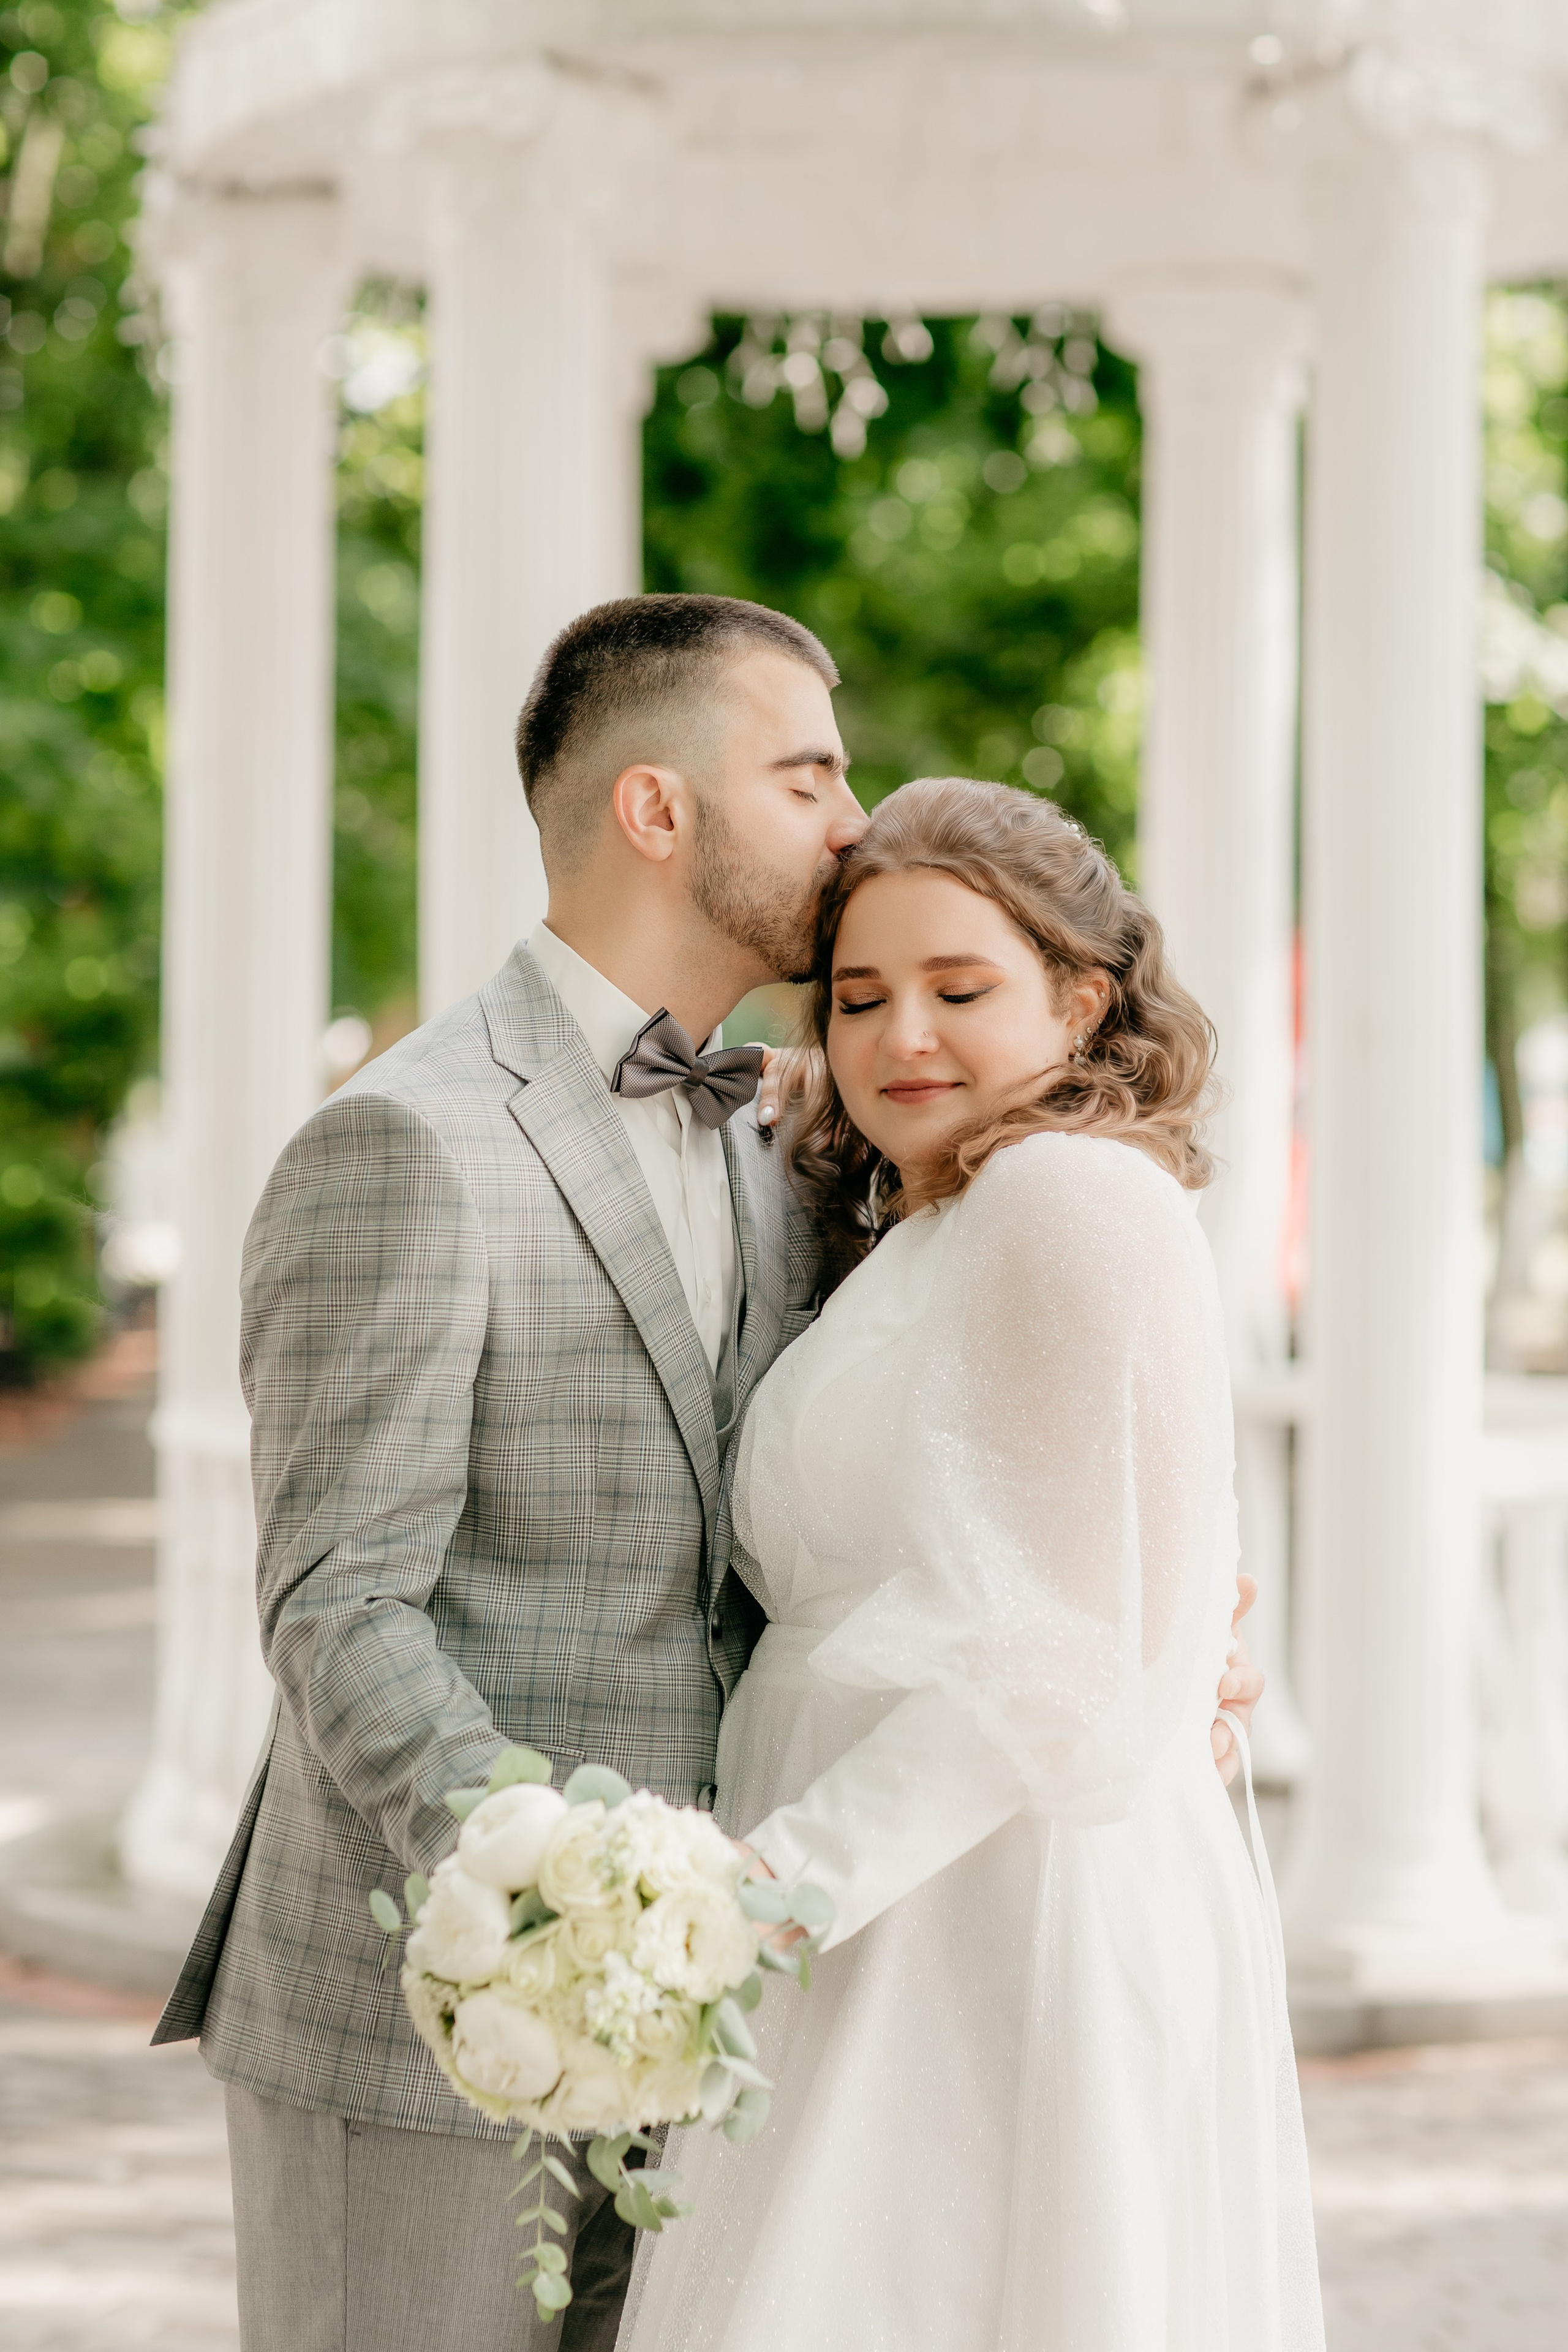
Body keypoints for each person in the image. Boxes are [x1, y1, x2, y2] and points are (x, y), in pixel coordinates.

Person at [150, 595, 1264, 2352]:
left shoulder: (814, 1137)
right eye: (811, 771)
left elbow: (969, 1504)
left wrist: (1156, 1637)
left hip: (768, 2003)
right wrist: (559, 1907)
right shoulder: (406, 1140)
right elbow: (338, 1598)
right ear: (660, 810)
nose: (851, 816)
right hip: (450, 2003)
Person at [617, 775, 1324, 2352]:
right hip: (874, 1874)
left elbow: (1052, 1642)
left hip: (989, 1892)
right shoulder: (933, 1219)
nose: (899, 1039)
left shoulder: (1066, 1197)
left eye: (959, 989)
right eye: (858, 998)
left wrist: (766, 1897)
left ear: (1079, 998)